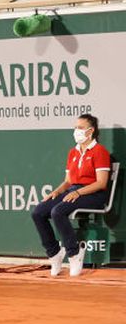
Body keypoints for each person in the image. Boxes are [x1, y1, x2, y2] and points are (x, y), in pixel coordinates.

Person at [30, 114, 113, 277]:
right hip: (74, 190)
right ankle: (55, 253)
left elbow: (101, 183)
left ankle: (74, 254)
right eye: (75, 127)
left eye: (80, 128)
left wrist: (77, 192)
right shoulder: (73, 152)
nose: (76, 131)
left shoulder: (100, 152)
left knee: (58, 212)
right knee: (38, 212)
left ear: (91, 131)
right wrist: (57, 191)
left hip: (94, 194)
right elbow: (68, 181)